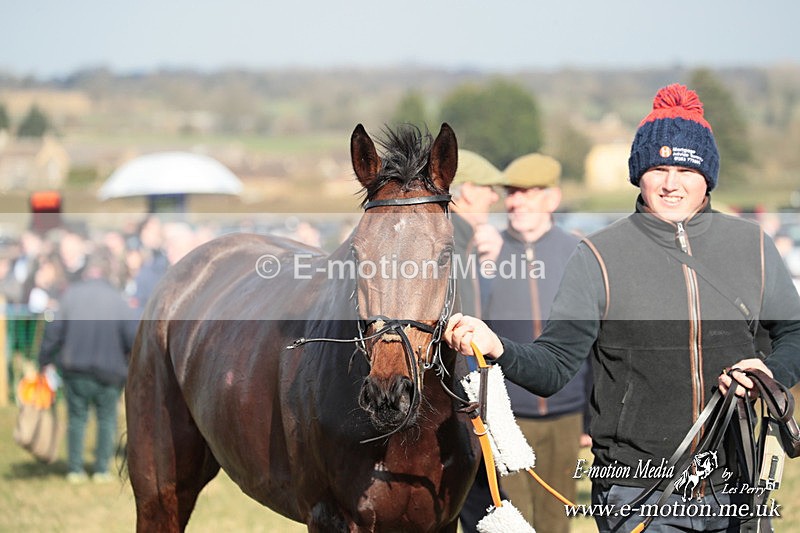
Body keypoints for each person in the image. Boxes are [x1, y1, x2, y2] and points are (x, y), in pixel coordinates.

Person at [444, 84, 800, 532]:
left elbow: (794, 334)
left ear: (707, 175)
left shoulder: (754, 246)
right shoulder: (598, 255)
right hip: (636, 490)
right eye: (659, 168)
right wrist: (500, 347)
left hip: (737, 483)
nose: (672, 183)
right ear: (640, 174)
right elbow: (553, 367)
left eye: (686, 170)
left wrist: (771, 374)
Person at [481, 153, 589, 533]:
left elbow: (592, 339)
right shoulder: (486, 254)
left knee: (556, 518)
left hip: (567, 411)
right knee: (512, 519)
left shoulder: (579, 253)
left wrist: (591, 415)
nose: (516, 201)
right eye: (511, 192)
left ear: (552, 199)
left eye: (528, 191)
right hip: (507, 414)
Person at [38, 246, 138, 483]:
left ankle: (75, 469)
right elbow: (132, 339)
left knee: (76, 418)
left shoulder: (70, 295)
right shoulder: (118, 301)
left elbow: (54, 331)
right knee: (107, 419)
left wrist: (44, 361)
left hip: (76, 369)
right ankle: (102, 470)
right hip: (110, 372)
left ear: (87, 272)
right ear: (105, 273)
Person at [449, 149, 508, 533]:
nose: (495, 198)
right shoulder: (453, 239)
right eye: (488, 188)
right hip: (461, 402)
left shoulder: (466, 239)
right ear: (468, 190)